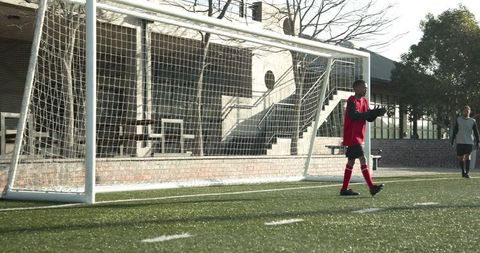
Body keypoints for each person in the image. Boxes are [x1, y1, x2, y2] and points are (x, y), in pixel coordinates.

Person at [340, 79, 386, 196]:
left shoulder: (364, 101)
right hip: (352, 136)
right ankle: (371, 187)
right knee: (362, 159)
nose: (365, 89)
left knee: (351, 162)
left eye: (366, 87)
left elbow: (368, 118)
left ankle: (344, 189)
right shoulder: (352, 101)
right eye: (363, 87)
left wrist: (375, 113)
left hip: (358, 136)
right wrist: (370, 113)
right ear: (356, 89)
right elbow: (354, 116)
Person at [450, 105, 479, 178]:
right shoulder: (458, 120)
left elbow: (476, 132)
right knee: (460, 158)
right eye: (465, 111)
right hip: (460, 142)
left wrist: (478, 141)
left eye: (468, 111)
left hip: (469, 142)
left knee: (467, 157)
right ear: (463, 111)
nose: (466, 112)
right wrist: (452, 140)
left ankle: (467, 173)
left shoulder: (473, 121)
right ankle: (463, 172)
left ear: (470, 111)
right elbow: (455, 131)